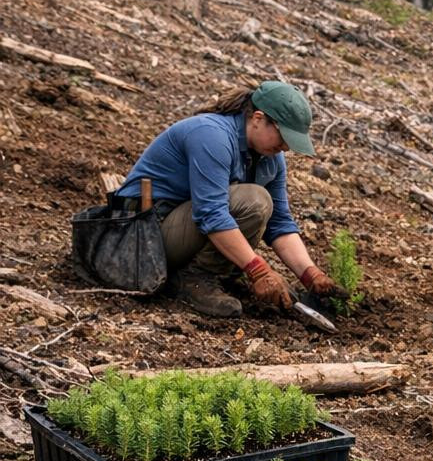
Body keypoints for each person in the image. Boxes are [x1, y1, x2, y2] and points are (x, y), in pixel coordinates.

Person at [116, 81, 341, 318]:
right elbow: (211, 213)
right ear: (257, 118)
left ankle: (212, 276)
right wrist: (259, 271)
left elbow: (280, 223)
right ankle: (193, 280)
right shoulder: (211, 135)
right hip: (138, 239)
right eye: (284, 137)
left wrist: (310, 274)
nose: (285, 147)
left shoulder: (270, 158)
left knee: (259, 204)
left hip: (171, 234)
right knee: (254, 201)